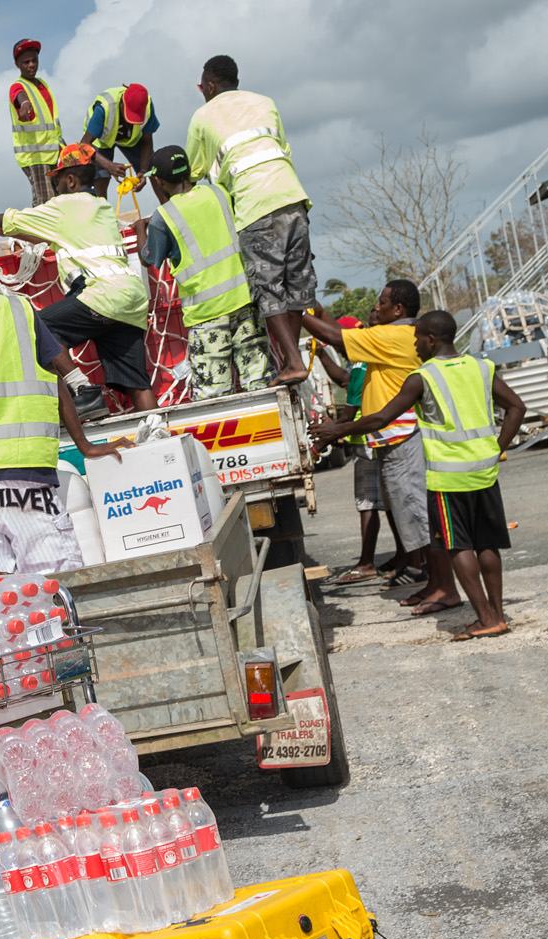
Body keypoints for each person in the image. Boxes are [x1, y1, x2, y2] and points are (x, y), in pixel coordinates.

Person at [310, 311, 527, 641]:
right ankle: (496, 613)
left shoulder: (422, 376)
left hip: (446, 476)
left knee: (458, 547)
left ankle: (485, 618)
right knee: (488, 544)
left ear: (431, 339)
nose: (414, 342)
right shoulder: (481, 367)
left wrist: (337, 429)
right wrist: (497, 449)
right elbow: (517, 408)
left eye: (417, 337)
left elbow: (381, 417)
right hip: (484, 471)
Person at [0, 243, 117, 573]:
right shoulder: (21, 310)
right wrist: (84, 446)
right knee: (55, 586)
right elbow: (56, 378)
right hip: (31, 475)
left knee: (1, 602)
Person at [0, 143, 154, 417]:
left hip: (101, 296)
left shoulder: (63, 206)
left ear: (70, 181)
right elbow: (45, 234)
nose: (54, 187)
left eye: (57, 181)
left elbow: (14, 220)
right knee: (137, 383)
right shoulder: (101, 208)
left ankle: (83, 390)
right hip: (130, 300)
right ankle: (160, 435)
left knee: (37, 327)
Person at [301, 283, 438, 602]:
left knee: (413, 510)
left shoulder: (395, 336)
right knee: (403, 509)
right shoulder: (394, 335)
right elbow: (338, 333)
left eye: (382, 303)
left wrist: (292, 311)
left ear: (398, 310)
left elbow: (337, 338)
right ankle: (426, 576)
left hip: (401, 435)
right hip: (390, 437)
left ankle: (431, 578)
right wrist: (313, 306)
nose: (377, 308)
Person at [186, 54, 316, 385]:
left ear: (211, 86)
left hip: (255, 206)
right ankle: (291, 359)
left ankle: (294, 362)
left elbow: (192, 172)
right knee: (296, 285)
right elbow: (282, 147)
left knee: (267, 288)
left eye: (202, 87)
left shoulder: (203, 116)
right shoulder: (265, 102)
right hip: (293, 197)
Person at [135, 144, 271, 399]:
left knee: (214, 396)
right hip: (245, 304)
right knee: (260, 383)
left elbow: (148, 258)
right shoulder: (219, 193)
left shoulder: (163, 217)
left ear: (158, 180)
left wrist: (140, 229)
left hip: (207, 316)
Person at [9, 39, 62, 205]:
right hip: (36, 156)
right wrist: (24, 103)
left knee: (58, 198)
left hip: (54, 152)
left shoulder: (42, 85)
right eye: (26, 62)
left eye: (34, 60)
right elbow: (19, 96)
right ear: (17, 64)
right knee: (46, 202)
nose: (31, 65)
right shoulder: (18, 87)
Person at [79, 83, 157, 196]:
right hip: (102, 140)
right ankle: (102, 211)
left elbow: (147, 141)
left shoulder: (147, 105)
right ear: (122, 103)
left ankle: (170, 210)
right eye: (130, 115)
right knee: (101, 177)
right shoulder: (104, 107)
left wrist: (144, 171)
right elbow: (84, 144)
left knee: (154, 169)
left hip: (131, 140)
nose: (131, 122)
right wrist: (109, 165)